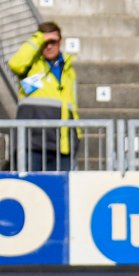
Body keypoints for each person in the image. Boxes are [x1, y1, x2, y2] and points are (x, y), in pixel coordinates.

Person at [8, 22, 79, 172]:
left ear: (60, 42)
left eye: (52, 42)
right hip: (32, 142)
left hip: (62, 142)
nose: (48, 46)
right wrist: (39, 38)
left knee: (60, 191)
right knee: (30, 189)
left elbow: (70, 105)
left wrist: (76, 135)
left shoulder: (68, 69)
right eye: (45, 43)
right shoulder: (31, 66)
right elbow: (15, 64)